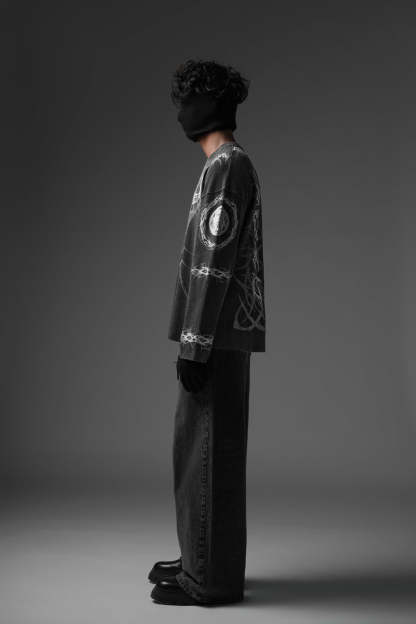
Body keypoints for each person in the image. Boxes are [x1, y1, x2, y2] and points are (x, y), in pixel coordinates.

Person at [149, 58, 266, 606]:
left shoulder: (226, 166)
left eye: (185, 102)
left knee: (208, 455)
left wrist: (195, 345)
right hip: (217, 334)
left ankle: (209, 581)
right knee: (199, 450)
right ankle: (201, 558)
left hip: (214, 337)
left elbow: (213, 261)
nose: (179, 114)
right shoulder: (223, 165)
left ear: (207, 105)